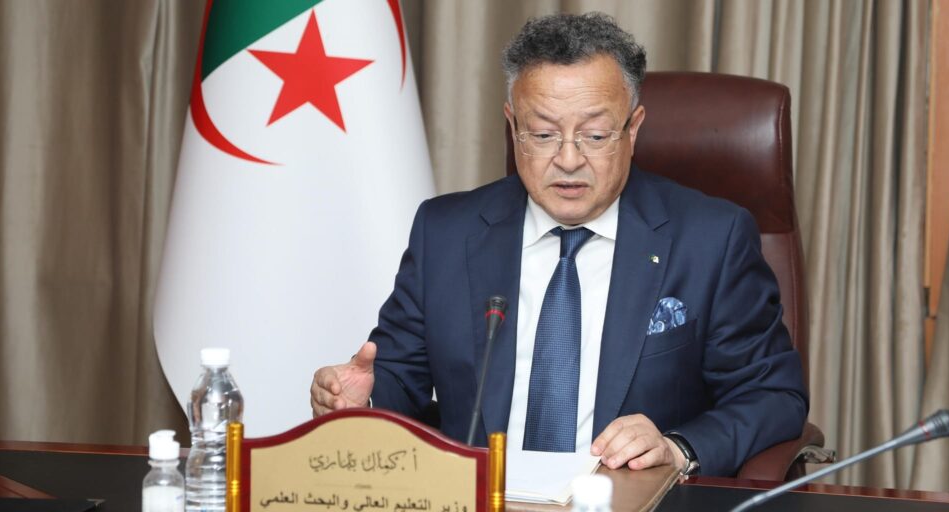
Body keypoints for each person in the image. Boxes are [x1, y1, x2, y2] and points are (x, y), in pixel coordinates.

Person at [310, 12, 807, 477]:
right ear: (513, 127)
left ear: (633, 128)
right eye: (544, 134)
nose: (568, 160)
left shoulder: (710, 239)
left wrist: (677, 447)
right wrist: (360, 403)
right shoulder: (446, 232)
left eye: (595, 135)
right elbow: (401, 378)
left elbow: (772, 394)